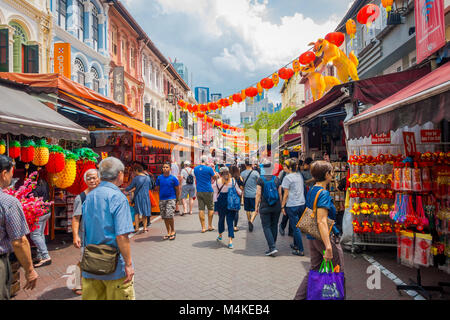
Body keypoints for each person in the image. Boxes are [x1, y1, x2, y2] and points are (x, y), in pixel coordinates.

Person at [81, 157, 135, 300]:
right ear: (119, 174)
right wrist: (128, 264)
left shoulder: (89, 196)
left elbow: (84, 230)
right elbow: (122, 235)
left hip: (91, 264)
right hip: (114, 266)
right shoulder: (118, 197)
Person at [294, 161, 344, 300]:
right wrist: (328, 246)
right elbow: (321, 220)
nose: (333, 175)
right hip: (325, 237)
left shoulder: (312, 189)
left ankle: (299, 298)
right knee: (337, 271)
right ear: (327, 174)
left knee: (314, 270)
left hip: (312, 236)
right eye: (331, 172)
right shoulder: (323, 193)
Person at [0, 155, 38, 300]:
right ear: (4, 174)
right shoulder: (8, 202)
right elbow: (19, 241)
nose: (12, 176)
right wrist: (30, 271)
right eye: (11, 172)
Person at [71, 168, 100, 296]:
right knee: (84, 260)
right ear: (85, 180)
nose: (92, 180)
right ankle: (78, 283)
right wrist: (75, 235)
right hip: (86, 235)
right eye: (89, 178)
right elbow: (76, 218)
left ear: (99, 179)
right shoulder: (81, 197)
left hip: (100, 235)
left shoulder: (102, 195)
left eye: (94, 178)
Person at [255, 161, 283, 256]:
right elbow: (280, 193)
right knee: (274, 225)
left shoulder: (260, 179)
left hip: (265, 206)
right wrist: (282, 205)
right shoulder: (277, 179)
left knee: (266, 226)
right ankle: (273, 245)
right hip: (276, 206)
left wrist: (256, 207)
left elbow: (258, 194)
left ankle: (272, 247)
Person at [281, 158, 306, 256]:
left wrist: (282, 206)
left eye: (285, 166)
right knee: (297, 226)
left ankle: (301, 249)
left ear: (289, 168)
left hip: (292, 205)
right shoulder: (299, 175)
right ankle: (296, 245)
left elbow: (285, 194)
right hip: (301, 203)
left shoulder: (287, 178)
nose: (283, 168)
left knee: (296, 228)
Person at [213, 167, 242, 249]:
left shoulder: (217, 181)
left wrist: (215, 207)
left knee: (221, 219)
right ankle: (230, 242)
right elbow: (239, 191)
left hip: (221, 202)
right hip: (231, 201)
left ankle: (220, 235)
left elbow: (215, 195)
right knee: (230, 221)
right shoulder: (232, 180)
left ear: (220, 173)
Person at [30, 174, 52, 268]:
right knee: (40, 234)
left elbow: (35, 201)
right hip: (47, 211)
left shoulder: (34, 186)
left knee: (34, 235)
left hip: (40, 212)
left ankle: (45, 256)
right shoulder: (44, 182)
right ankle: (40, 256)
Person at [124, 163, 152, 234]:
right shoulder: (147, 177)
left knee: (137, 212)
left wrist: (124, 189)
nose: (133, 173)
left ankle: (136, 228)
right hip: (146, 196)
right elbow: (150, 187)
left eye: (134, 171)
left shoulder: (136, 178)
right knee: (145, 212)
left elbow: (130, 187)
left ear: (136, 170)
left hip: (138, 196)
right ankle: (145, 228)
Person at [155, 162, 180, 240]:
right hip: (162, 199)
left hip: (171, 198)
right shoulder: (159, 178)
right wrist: (160, 196)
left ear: (170, 169)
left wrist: (177, 199)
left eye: (166, 167)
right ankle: (168, 232)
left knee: (169, 215)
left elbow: (177, 189)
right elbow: (158, 188)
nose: (165, 168)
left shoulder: (173, 178)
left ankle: (173, 230)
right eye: (164, 167)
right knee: (164, 216)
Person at [194, 155, 218, 233]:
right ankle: (210, 225)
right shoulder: (209, 169)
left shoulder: (195, 169)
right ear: (206, 161)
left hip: (199, 190)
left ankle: (203, 227)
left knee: (201, 209)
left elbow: (197, 177)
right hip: (208, 190)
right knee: (210, 208)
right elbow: (215, 177)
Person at [241, 159, 260, 232]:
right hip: (255, 194)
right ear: (252, 164)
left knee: (247, 209)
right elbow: (259, 183)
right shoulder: (256, 173)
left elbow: (241, 185)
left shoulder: (242, 173)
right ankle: (251, 221)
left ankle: (249, 220)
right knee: (255, 209)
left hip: (246, 194)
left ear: (245, 165)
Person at [230, 165, 244, 232]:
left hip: (229, 195)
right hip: (237, 196)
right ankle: (235, 226)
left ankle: (230, 225)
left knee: (229, 211)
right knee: (236, 211)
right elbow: (242, 187)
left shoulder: (228, 178)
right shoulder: (239, 178)